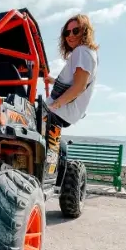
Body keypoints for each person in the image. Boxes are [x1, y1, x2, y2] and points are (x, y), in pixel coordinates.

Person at [43, 13, 99, 167]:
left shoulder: (82, 51)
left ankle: (52, 170)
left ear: (85, 31)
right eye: (67, 32)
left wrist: (54, 106)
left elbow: (79, 87)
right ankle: (56, 170)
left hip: (60, 111)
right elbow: (76, 83)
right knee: (48, 146)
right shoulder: (88, 53)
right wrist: (53, 80)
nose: (70, 36)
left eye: (76, 31)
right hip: (66, 111)